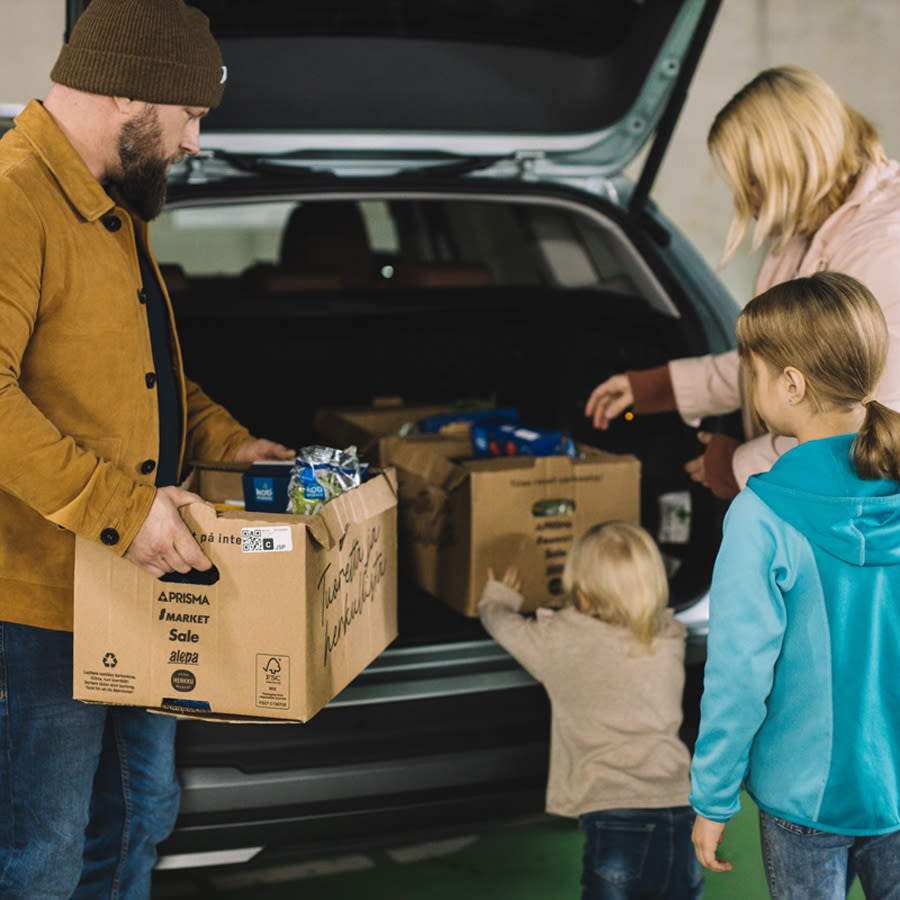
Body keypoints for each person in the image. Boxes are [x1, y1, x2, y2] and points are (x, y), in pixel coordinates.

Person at [0, 2, 296, 897]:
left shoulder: (114, 206)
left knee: (136, 816)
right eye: (190, 117)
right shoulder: (14, 199)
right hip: (41, 609)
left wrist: (231, 444)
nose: (196, 142)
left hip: (135, 582)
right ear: (129, 92)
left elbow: (146, 383)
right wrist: (126, 513)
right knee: (43, 852)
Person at [584, 65, 900, 499]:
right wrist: (659, 388)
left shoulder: (885, 251)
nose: (744, 202)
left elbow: (862, 427)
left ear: (794, 161)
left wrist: (740, 466)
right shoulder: (803, 228)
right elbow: (776, 361)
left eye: (751, 181)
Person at [689, 272, 900, 897]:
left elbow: (738, 672)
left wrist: (714, 796)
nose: (750, 389)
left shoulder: (761, 516)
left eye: (752, 372)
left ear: (790, 384)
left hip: (803, 799)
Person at [479, 522, 702, 900]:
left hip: (616, 817)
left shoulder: (561, 642)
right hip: (682, 808)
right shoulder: (668, 638)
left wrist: (498, 598)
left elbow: (501, 624)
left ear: (581, 594)